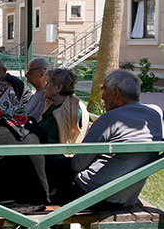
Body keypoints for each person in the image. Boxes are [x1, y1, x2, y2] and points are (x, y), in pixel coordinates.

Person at [58, 70, 163, 206]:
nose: (102, 97)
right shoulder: (154, 116)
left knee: (53, 163)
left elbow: (77, 164)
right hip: (127, 196)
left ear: (116, 93)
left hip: (92, 195)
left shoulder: (110, 119)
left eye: (105, 91)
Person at [37, 68, 88, 144]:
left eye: (47, 83)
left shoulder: (73, 109)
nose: (45, 87)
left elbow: (43, 131)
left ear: (58, 87)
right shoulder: (53, 103)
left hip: (59, 153)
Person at [24, 57, 49, 122]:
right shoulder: (37, 94)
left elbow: (34, 120)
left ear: (42, 73)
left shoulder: (47, 96)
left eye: (29, 72)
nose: (26, 75)